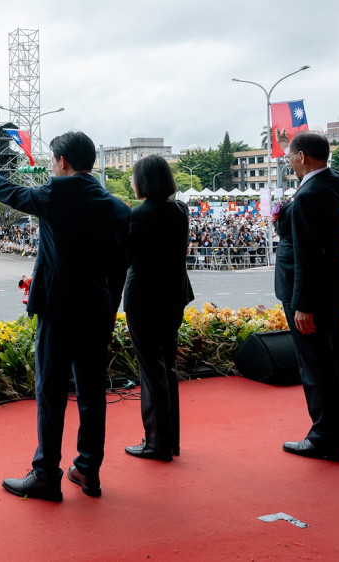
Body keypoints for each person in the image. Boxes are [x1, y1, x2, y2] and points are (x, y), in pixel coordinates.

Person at [0, 131, 130, 501]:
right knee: (92, 393)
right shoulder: (116, 207)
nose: (51, 167)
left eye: (52, 161)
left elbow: (13, 194)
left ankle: (46, 473)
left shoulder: (55, 193)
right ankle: (88, 470)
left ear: (62, 162)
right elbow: (119, 266)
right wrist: (109, 306)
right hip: (97, 309)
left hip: (59, 309)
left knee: (50, 391)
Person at [276, 132, 339, 461]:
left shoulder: (309, 194)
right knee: (337, 365)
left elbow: (307, 255)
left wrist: (303, 305)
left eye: (290, 155)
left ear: (302, 157)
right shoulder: (333, 181)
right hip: (330, 289)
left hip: (310, 295)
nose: (288, 160)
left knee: (315, 368)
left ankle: (325, 437)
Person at [122, 155, 194, 461]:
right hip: (173, 295)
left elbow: (126, 257)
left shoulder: (137, 216)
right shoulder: (180, 210)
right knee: (167, 366)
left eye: (133, 177)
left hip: (144, 299)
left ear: (144, 181)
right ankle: (170, 440)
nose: (130, 182)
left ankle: (156, 443)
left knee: (151, 370)